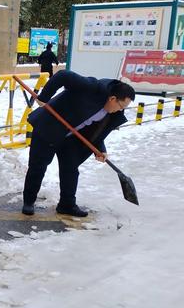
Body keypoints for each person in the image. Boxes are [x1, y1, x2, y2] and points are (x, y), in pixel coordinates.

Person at [22, 70, 135, 217]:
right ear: (113, 98)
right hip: (49, 128)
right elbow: (63, 75)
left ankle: (66, 205)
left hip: (70, 138)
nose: (121, 110)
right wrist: (44, 97)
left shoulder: (111, 112)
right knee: (38, 167)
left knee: (70, 169)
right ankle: (29, 202)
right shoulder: (92, 87)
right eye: (121, 106)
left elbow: (96, 131)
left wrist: (100, 149)